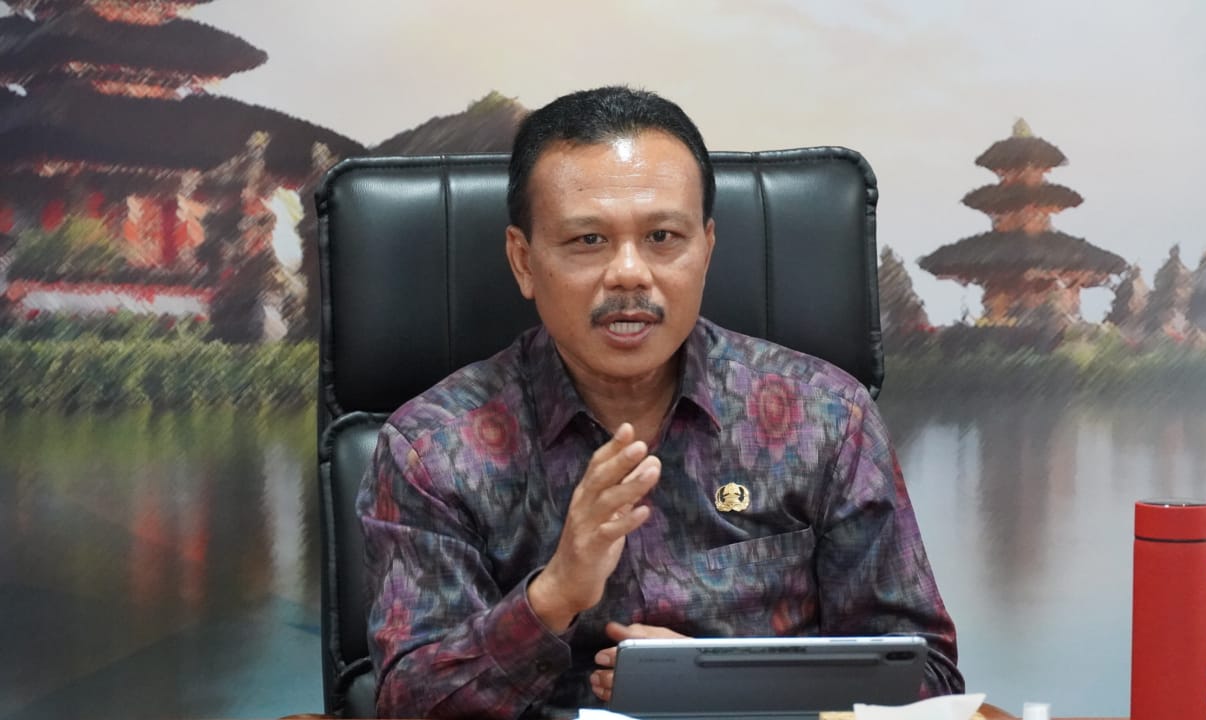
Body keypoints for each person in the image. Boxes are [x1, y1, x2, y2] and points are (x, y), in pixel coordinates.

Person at [358, 86, 963, 719]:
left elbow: (927, 683)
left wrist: (727, 690)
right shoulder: (434, 450)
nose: (629, 273)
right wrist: (553, 596)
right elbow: (407, 709)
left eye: (662, 236)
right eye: (588, 240)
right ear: (524, 261)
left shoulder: (824, 419)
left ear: (706, 248)